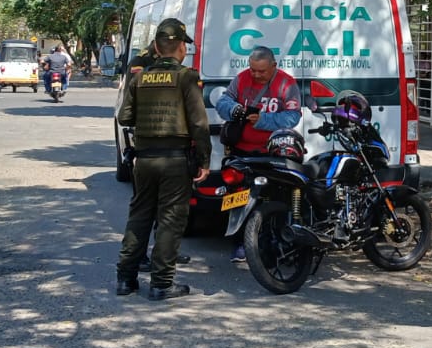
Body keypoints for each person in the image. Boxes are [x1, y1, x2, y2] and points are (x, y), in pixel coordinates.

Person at [115, 18, 212, 300]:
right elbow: (199, 125)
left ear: (156, 47)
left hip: (143, 161)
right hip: (175, 161)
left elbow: (124, 117)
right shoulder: (186, 77)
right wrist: (204, 161)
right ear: (181, 47)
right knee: (170, 219)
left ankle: (125, 279)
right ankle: (161, 283)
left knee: (139, 216)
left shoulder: (140, 77)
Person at [215, 46, 301, 260]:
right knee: (236, 197)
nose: (256, 75)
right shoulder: (242, 78)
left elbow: (292, 117)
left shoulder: (287, 84)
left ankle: (276, 242)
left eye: (261, 71)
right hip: (241, 150)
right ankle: (239, 243)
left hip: (274, 152)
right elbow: (222, 101)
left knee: (278, 197)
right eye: (253, 69)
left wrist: (263, 121)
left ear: (273, 66)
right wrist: (232, 109)